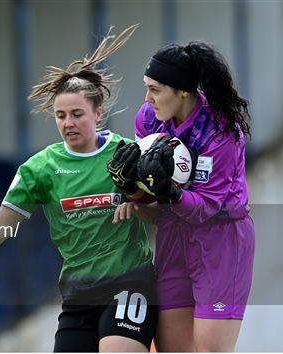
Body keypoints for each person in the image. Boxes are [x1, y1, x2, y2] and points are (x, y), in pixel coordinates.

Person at [0, 25, 158, 353]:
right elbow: (0, 225)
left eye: (77, 114)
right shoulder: (39, 169)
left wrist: (140, 202)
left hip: (129, 285)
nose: (67, 123)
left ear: (98, 114)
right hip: (79, 295)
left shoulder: (128, 155)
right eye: (60, 116)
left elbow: (160, 215)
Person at [108, 41, 255, 352]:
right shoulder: (148, 119)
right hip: (173, 235)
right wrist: (130, 188)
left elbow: (205, 208)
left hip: (221, 240)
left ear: (183, 91)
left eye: (156, 90)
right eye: (146, 88)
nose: (147, 98)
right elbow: (149, 198)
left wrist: (168, 192)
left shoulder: (221, 132)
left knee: (209, 350)